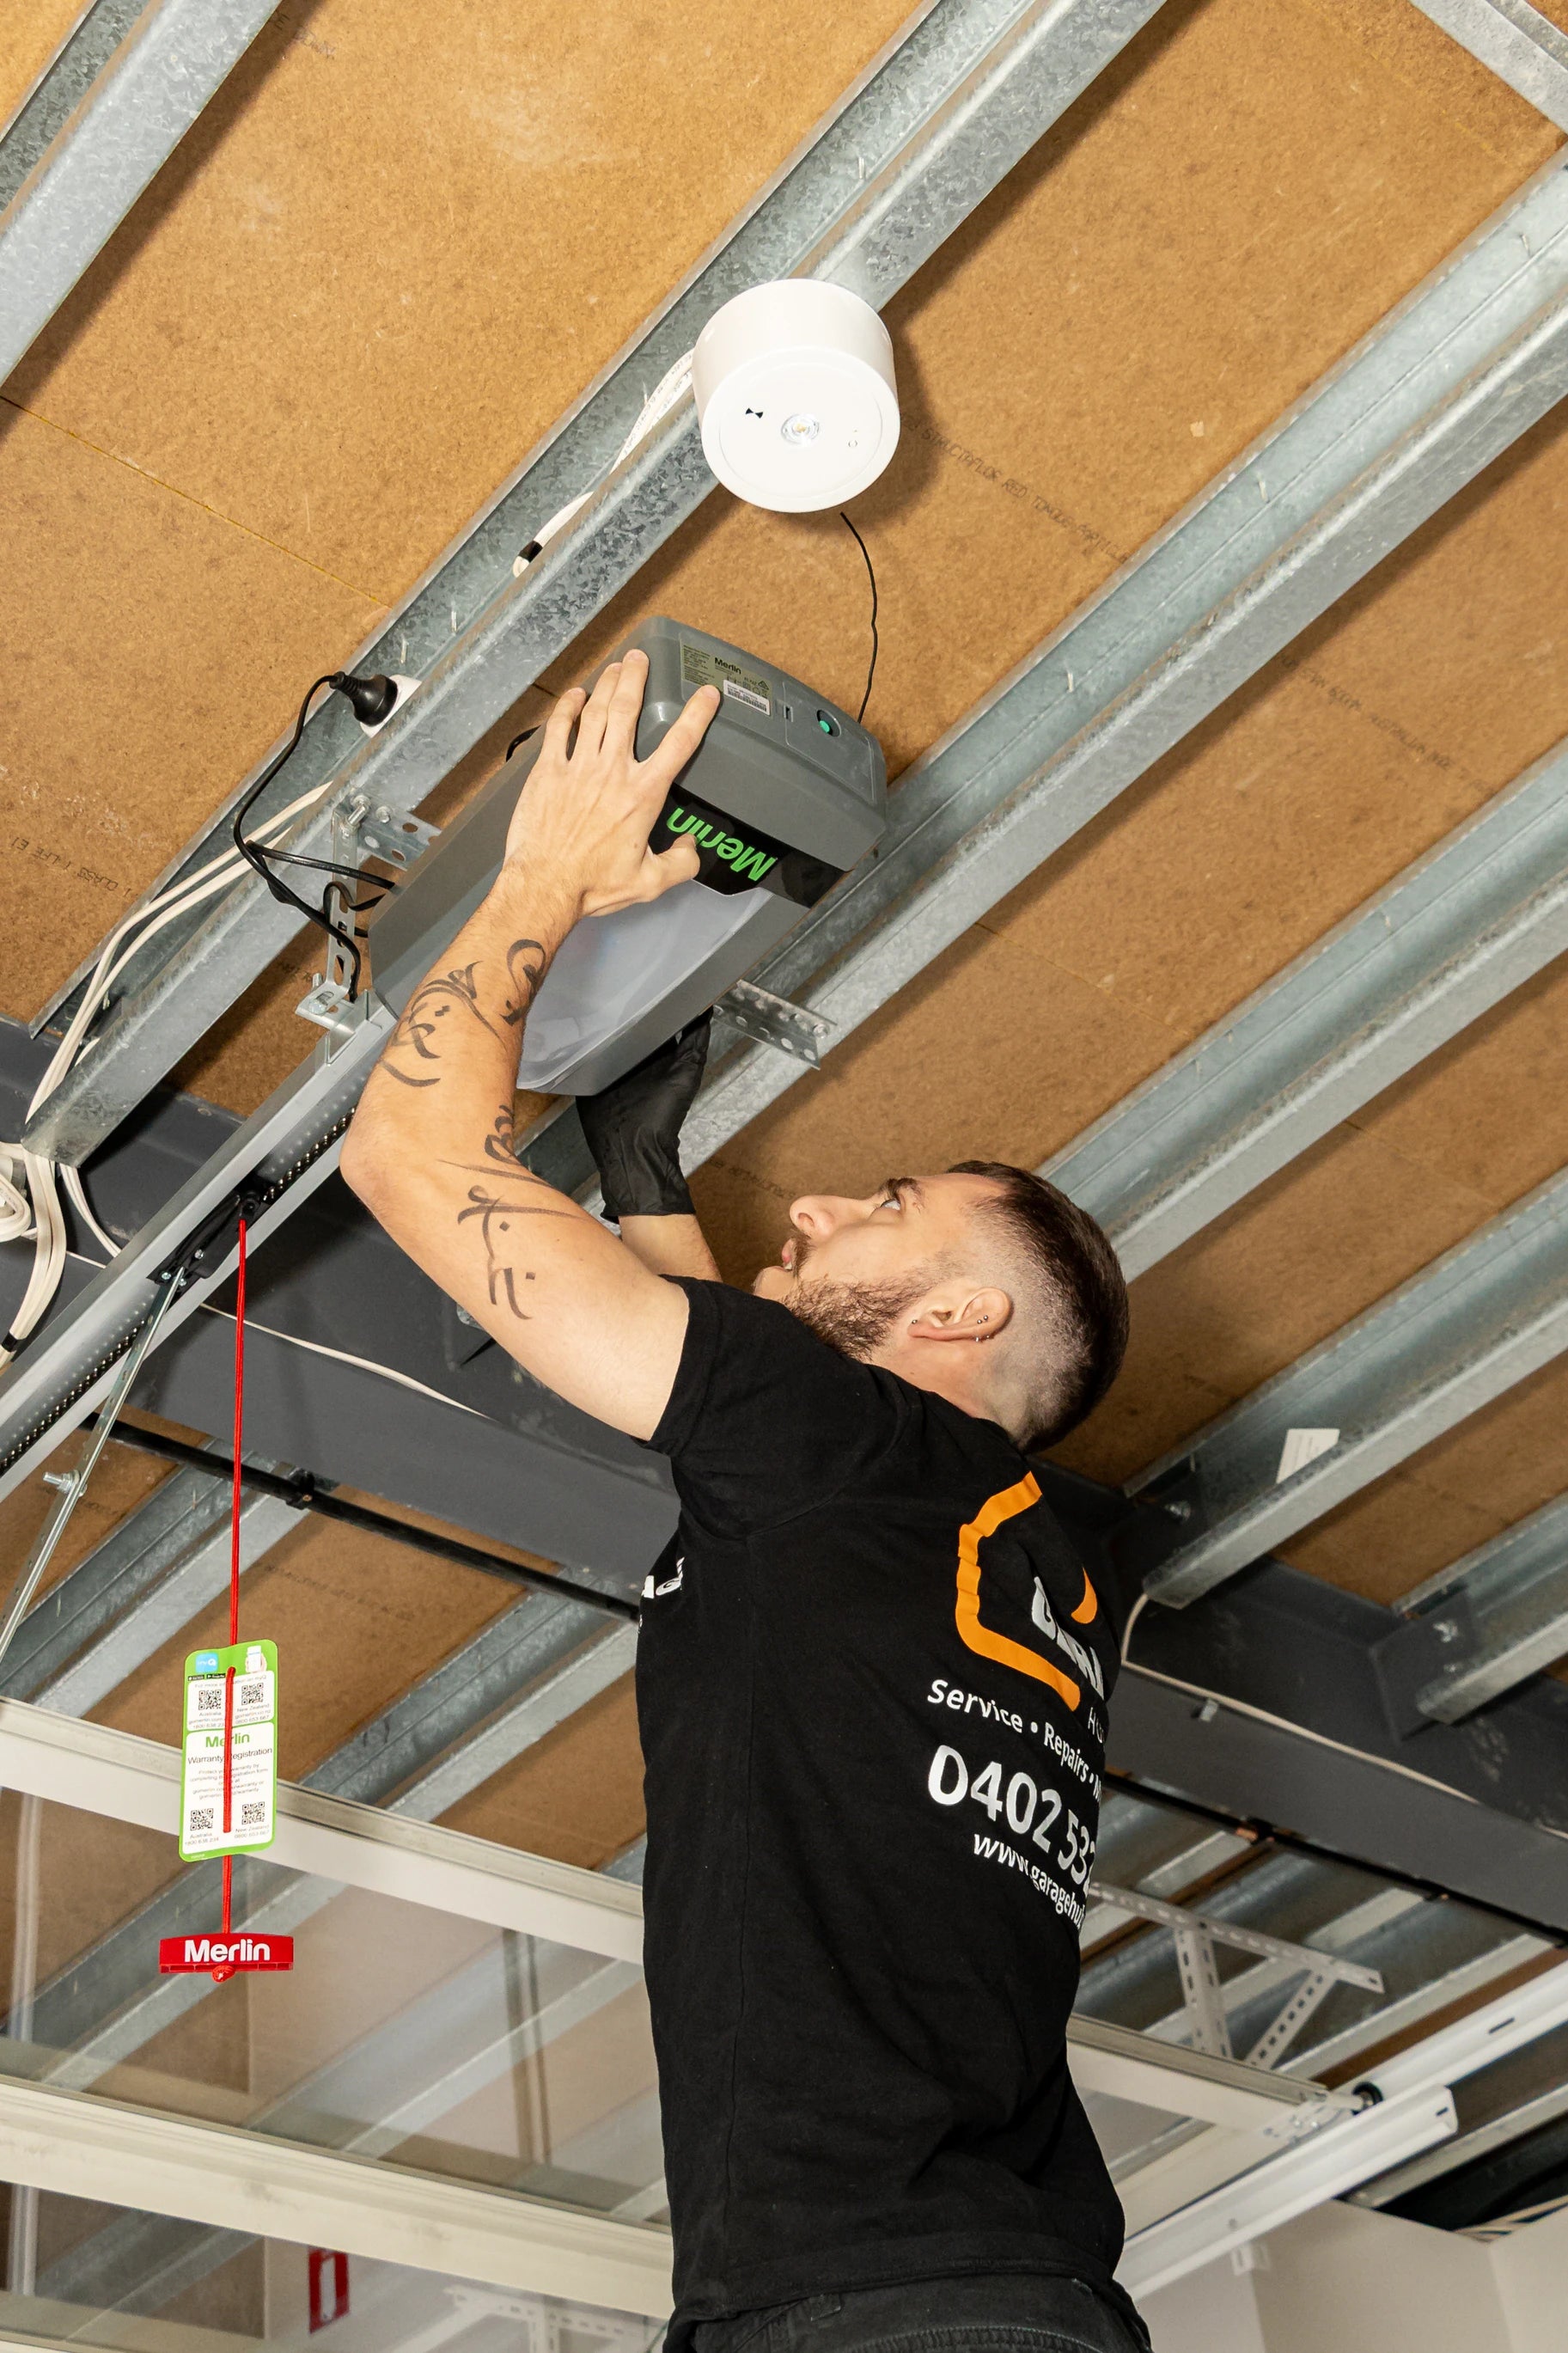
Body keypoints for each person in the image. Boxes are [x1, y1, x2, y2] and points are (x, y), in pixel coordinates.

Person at [340, 650, 1146, 2353]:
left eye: (890, 1203)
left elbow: (410, 1162)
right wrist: (640, 1184)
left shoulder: (866, 1473)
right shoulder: (1032, 1568)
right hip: (932, 2305)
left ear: (959, 1318)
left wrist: (542, 880)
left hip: (884, 2314)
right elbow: (756, 1465)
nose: (828, 1201)